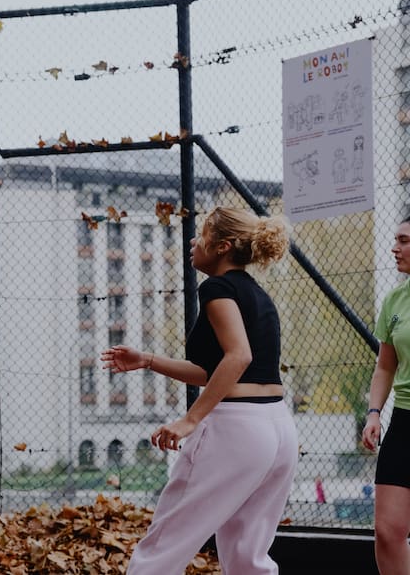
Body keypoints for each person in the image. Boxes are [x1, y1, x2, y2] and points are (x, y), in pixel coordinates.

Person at [100, 206, 296, 575]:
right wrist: (147, 359)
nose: (194, 241)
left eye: (202, 234)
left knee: (165, 544)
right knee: (246, 554)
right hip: (277, 428)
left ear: (222, 247)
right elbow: (216, 371)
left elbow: (238, 357)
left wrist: (191, 420)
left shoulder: (217, 288)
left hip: (235, 429)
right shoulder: (257, 295)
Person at [362, 215, 410, 574]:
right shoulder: (395, 300)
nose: (395, 248)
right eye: (395, 239)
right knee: (388, 530)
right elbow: (384, 366)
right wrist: (374, 412)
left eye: (404, 240)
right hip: (405, 421)